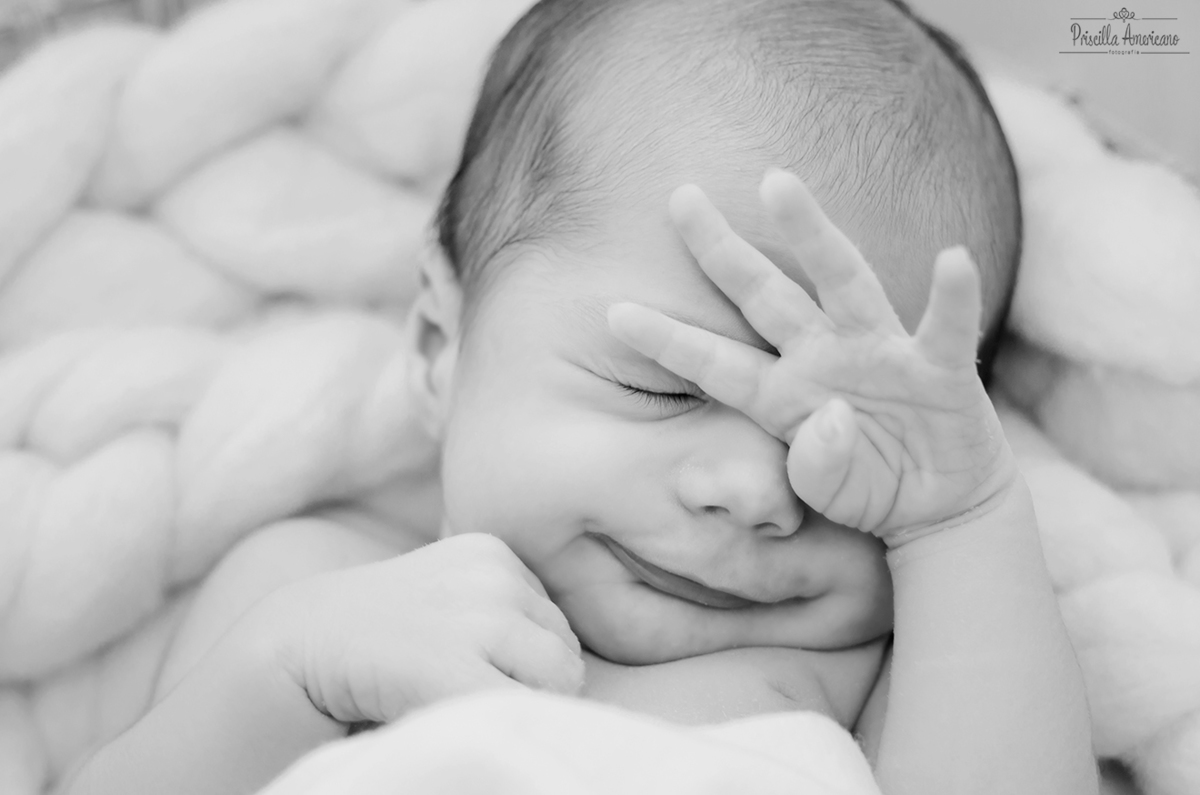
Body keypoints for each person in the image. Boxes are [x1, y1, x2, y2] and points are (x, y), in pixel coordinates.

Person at [63, 0, 1097, 793]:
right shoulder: (314, 595)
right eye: (663, 385)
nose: (755, 492)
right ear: (438, 347)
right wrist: (283, 681)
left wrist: (960, 524)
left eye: (846, 441)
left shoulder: (864, 681)